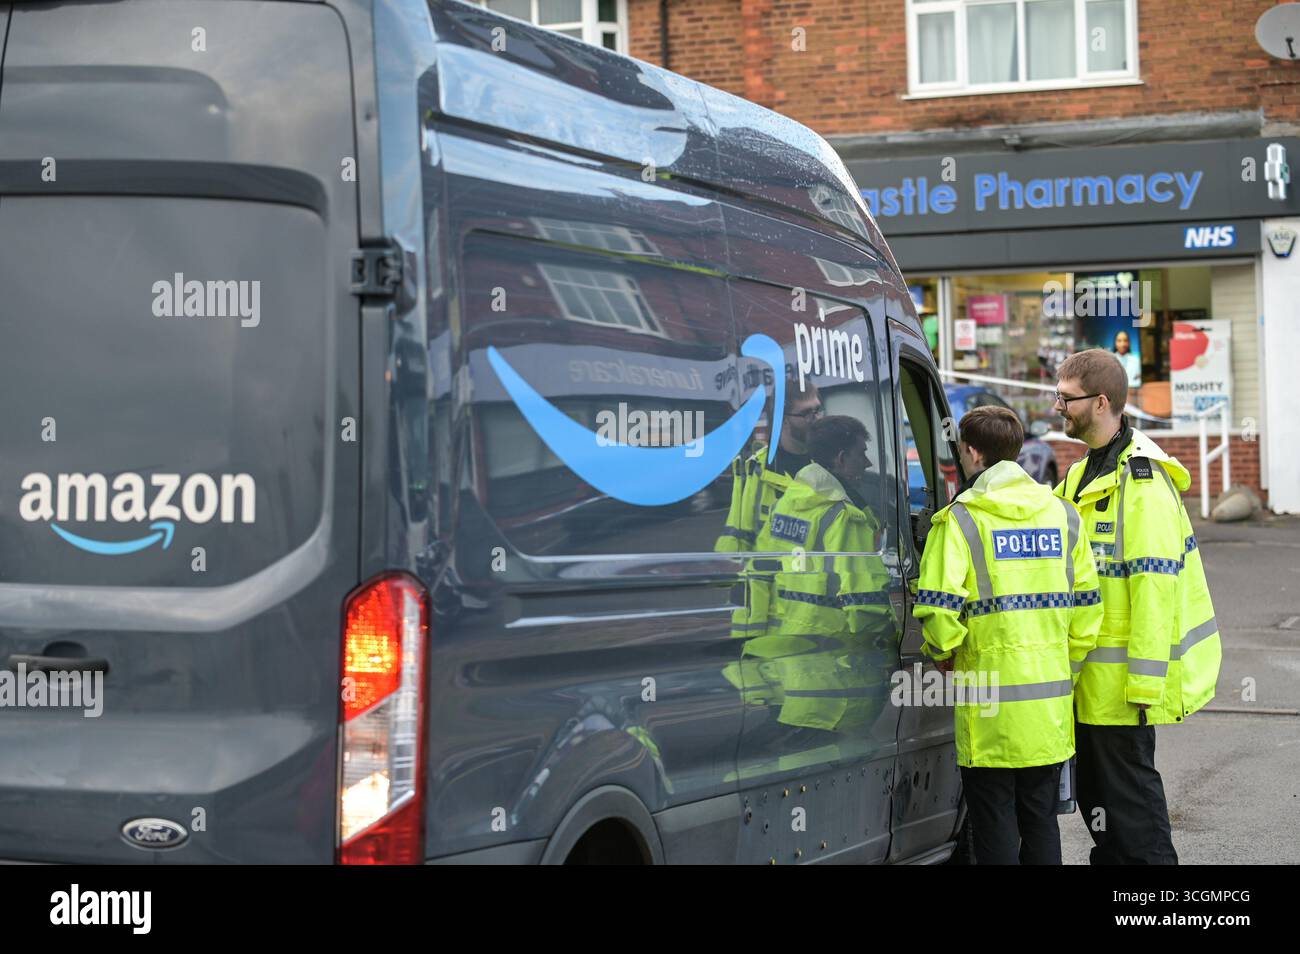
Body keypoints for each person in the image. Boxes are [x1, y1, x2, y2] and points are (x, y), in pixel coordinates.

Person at [1053, 349, 1222, 865]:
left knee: (1135, 819)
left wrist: (1145, 685)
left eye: (1067, 397)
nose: (1059, 406)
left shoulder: (1141, 480)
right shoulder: (1082, 472)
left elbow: (1155, 585)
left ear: (1101, 403)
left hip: (1124, 689)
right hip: (1089, 682)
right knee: (1105, 817)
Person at [914, 406, 1101, 865]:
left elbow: (937, 609)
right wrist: (1062, 664)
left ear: (972, 452)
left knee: (994, 821)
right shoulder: (1064, 516)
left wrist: (946, 654)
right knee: (1040, 819)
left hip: (989, 708)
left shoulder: (960, 520)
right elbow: (1088, 612)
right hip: (1048, 710)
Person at [715, 379, 821, 552]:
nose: (816, 419)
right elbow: (736, 542)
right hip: (772, 578)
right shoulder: (754, 471)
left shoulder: (832, 462)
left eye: (817, 410)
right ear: (783, 420)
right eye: (806, 414)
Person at [1113, 330, 1141, 406]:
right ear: (1115, 343)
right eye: (1119, 341)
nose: (1122, 344)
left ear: (1128, 343)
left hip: (1132, 399)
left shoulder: (1136, 360)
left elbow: (1138, 381)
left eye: (1125, 340)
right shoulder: (1110, 360)